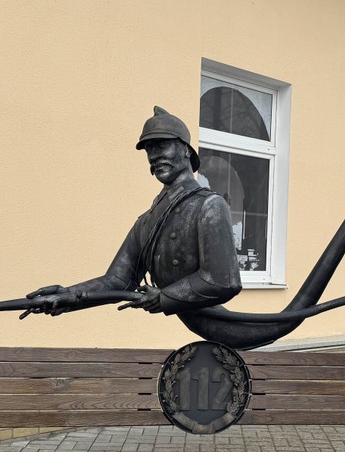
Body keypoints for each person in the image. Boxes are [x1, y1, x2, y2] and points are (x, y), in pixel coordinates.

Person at [29, 107, 241, 316]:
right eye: (149, 149)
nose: (154, 156)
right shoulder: (147, 221)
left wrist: (164, 298)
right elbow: (117, 281)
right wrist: (67, 296)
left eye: (162, 145)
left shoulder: (209, 205)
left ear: (186, 150)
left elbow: (223, 281)